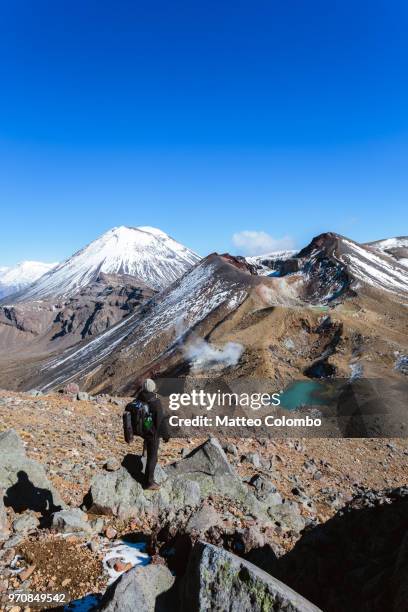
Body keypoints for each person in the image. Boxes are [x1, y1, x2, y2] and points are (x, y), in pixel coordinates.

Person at [134, 378, 170, 490]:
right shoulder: (155, 401)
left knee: (149, 451)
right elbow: (160, 421)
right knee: (153, 457)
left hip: (144, 430)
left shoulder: (139, 398)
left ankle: (146, 476)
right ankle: (149, 482)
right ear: (152, 387)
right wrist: (166, 434)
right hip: (152, 433)